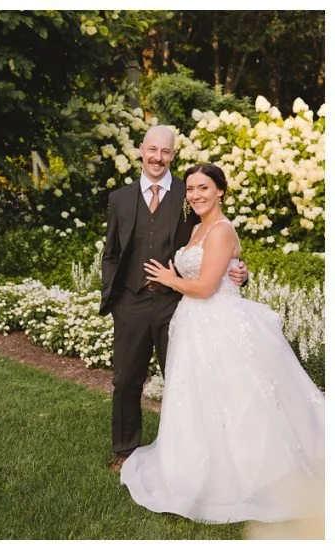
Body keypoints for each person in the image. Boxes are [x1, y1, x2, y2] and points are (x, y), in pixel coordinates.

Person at [120, 163, 324, 523]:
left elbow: (204, 287)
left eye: (204, 188)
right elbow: (223, 269)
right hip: (194, 324)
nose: (196, 194)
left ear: (221, 192)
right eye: (191, 189)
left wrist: (169, 278)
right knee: (201, 400)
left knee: (239, 401)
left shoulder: (221, 229)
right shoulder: (197, 227)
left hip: (221, 326)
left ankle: (248, 477)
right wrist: (236, 271)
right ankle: (193, 467)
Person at [99, 126, 248, 472]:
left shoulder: (190, 193)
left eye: (165, 152)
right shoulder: (120, 199)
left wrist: (240, 271)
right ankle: (125, 449)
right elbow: (111, 253)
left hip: (176, 305)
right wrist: (114, 297)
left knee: (184, 382)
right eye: (152, 150)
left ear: (173, 155)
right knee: (125, 381)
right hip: (131, 303)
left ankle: (193, 455)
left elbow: (217, 237)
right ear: (141, 150)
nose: (157, 158)